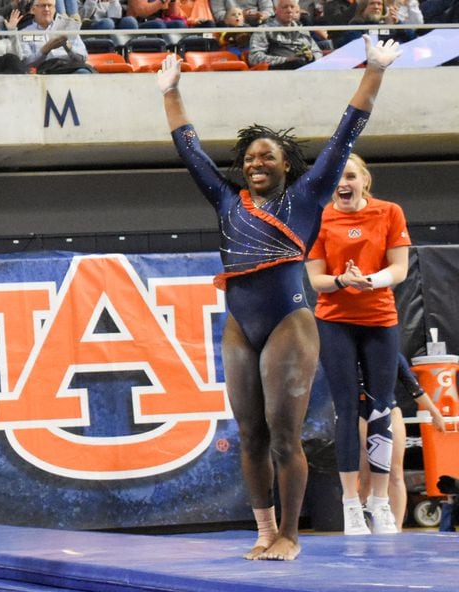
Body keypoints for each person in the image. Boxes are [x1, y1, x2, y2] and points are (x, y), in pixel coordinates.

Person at [157, 36, 401, 560]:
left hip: (290, 323)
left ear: (287, 164)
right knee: (250, 435)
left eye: (267, 156)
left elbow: (346, 131)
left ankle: (292, 533)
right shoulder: (226, 200)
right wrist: (170, 91)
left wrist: (375, 70)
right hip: (240, 324)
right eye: (248, 158)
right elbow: (189, 149)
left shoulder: (308, 196)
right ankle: (265, 531)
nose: (255, 163)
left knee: (284, 435)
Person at [305, 153, 411, 535]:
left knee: (382, 408)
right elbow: (315, 278)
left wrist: (371, 280)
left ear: (364, 179)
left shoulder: (389, 212)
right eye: (337, 177)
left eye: (350, 176)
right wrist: (341, 282)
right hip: (335, 322)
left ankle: (379, 501)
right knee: (347, 409)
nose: (343, 183)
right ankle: (351, 503)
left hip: (379, 320)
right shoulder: (318, 218)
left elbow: (399, 268)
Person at [356, 353, 451, 530]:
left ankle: (396, 528)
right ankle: (359, 520)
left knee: (395, 472)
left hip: (390, 410)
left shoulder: (391, 353)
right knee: (366, 474)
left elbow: (413, 387)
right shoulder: (351, 354)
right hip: (361, 411)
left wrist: (435, 412)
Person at [22, 0, 92, 73]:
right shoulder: (25, 33)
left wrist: (69, 48)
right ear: (33, 10)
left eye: (50, 6)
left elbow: (83, 58)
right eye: (42, 6)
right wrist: (45, 50)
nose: (46, 9)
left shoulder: (68, 28)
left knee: (83, 72)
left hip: (71, 67)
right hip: (46, 71)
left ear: (55, 9)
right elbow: (26, 63)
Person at [248, 0, 322, 69]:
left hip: (306, 68)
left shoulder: (302, 30)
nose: (289, 10)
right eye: (285, 7)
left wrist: (311, 57)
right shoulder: (263, 30)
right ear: (275, 10)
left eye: (292, 7)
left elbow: (317, 52)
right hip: (279, 71)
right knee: (298, 63)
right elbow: (254, 58)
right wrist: (286, 60)